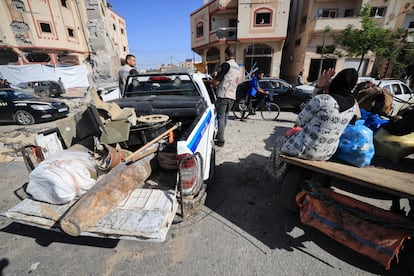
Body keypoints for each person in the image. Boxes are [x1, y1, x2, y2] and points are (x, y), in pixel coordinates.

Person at [281, 68, 359, 161]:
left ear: (336, 81)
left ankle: (274, 174)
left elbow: (300, 122)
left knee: (280, 141)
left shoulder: (322, 99)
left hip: (302, 150)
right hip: (326, 154)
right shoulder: (353, 105)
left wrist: (319, 87)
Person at [210, 46, 242, 147]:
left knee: (220, 117)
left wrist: (208, 81)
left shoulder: (226, 65)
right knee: (225, 117)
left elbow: (216, 82)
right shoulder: (237, 67)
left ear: (226, 54)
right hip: (232, 96)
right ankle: (221, 136)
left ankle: (220, 140)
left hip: (223, 95)